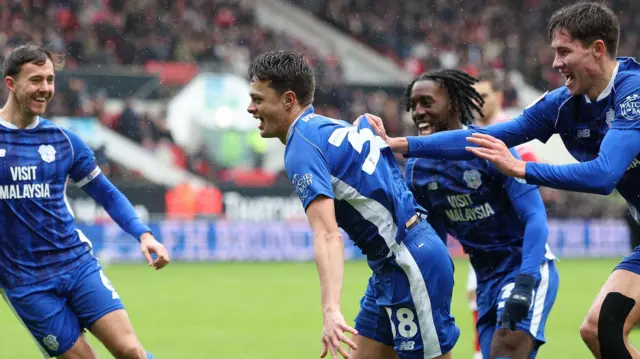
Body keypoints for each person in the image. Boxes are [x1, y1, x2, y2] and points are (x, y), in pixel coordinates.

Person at [366, 2, 640, 358]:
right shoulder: (561, 105)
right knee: (601, 330)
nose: (556, 63)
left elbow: (604, 175)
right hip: (490, 270)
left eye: (564, 51)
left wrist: (521, 169)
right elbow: (485, 139)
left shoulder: (632, 94)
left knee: (602, 327)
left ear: (597, 49)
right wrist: (400, 144)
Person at [247, 50, 459, 359]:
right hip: (393, 263)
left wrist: (330, 309)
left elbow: (327, 234)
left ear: (288, 99)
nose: (251, 108)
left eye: (258, 99)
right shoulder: (325, 126)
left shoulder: (301, 149)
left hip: (409, 262)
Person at [0, 44, 170, 359]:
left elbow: (106, 193)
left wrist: (143, 234)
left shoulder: (63, 141)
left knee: (131, 351)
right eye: (36, 80)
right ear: (10, 83)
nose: (46, 89)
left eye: (50, 80)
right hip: (24, 282)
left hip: (76, 265)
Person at [401, 69, 558, 359]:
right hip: (485, 278)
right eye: (413, 105)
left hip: (522, 265)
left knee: (506, 350)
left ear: (453, 105)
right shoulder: (418, 169)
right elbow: (435, 239)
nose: (418, 112)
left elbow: (535, 216)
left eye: (427, 102)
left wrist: (526, 280)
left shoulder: (490, 147)